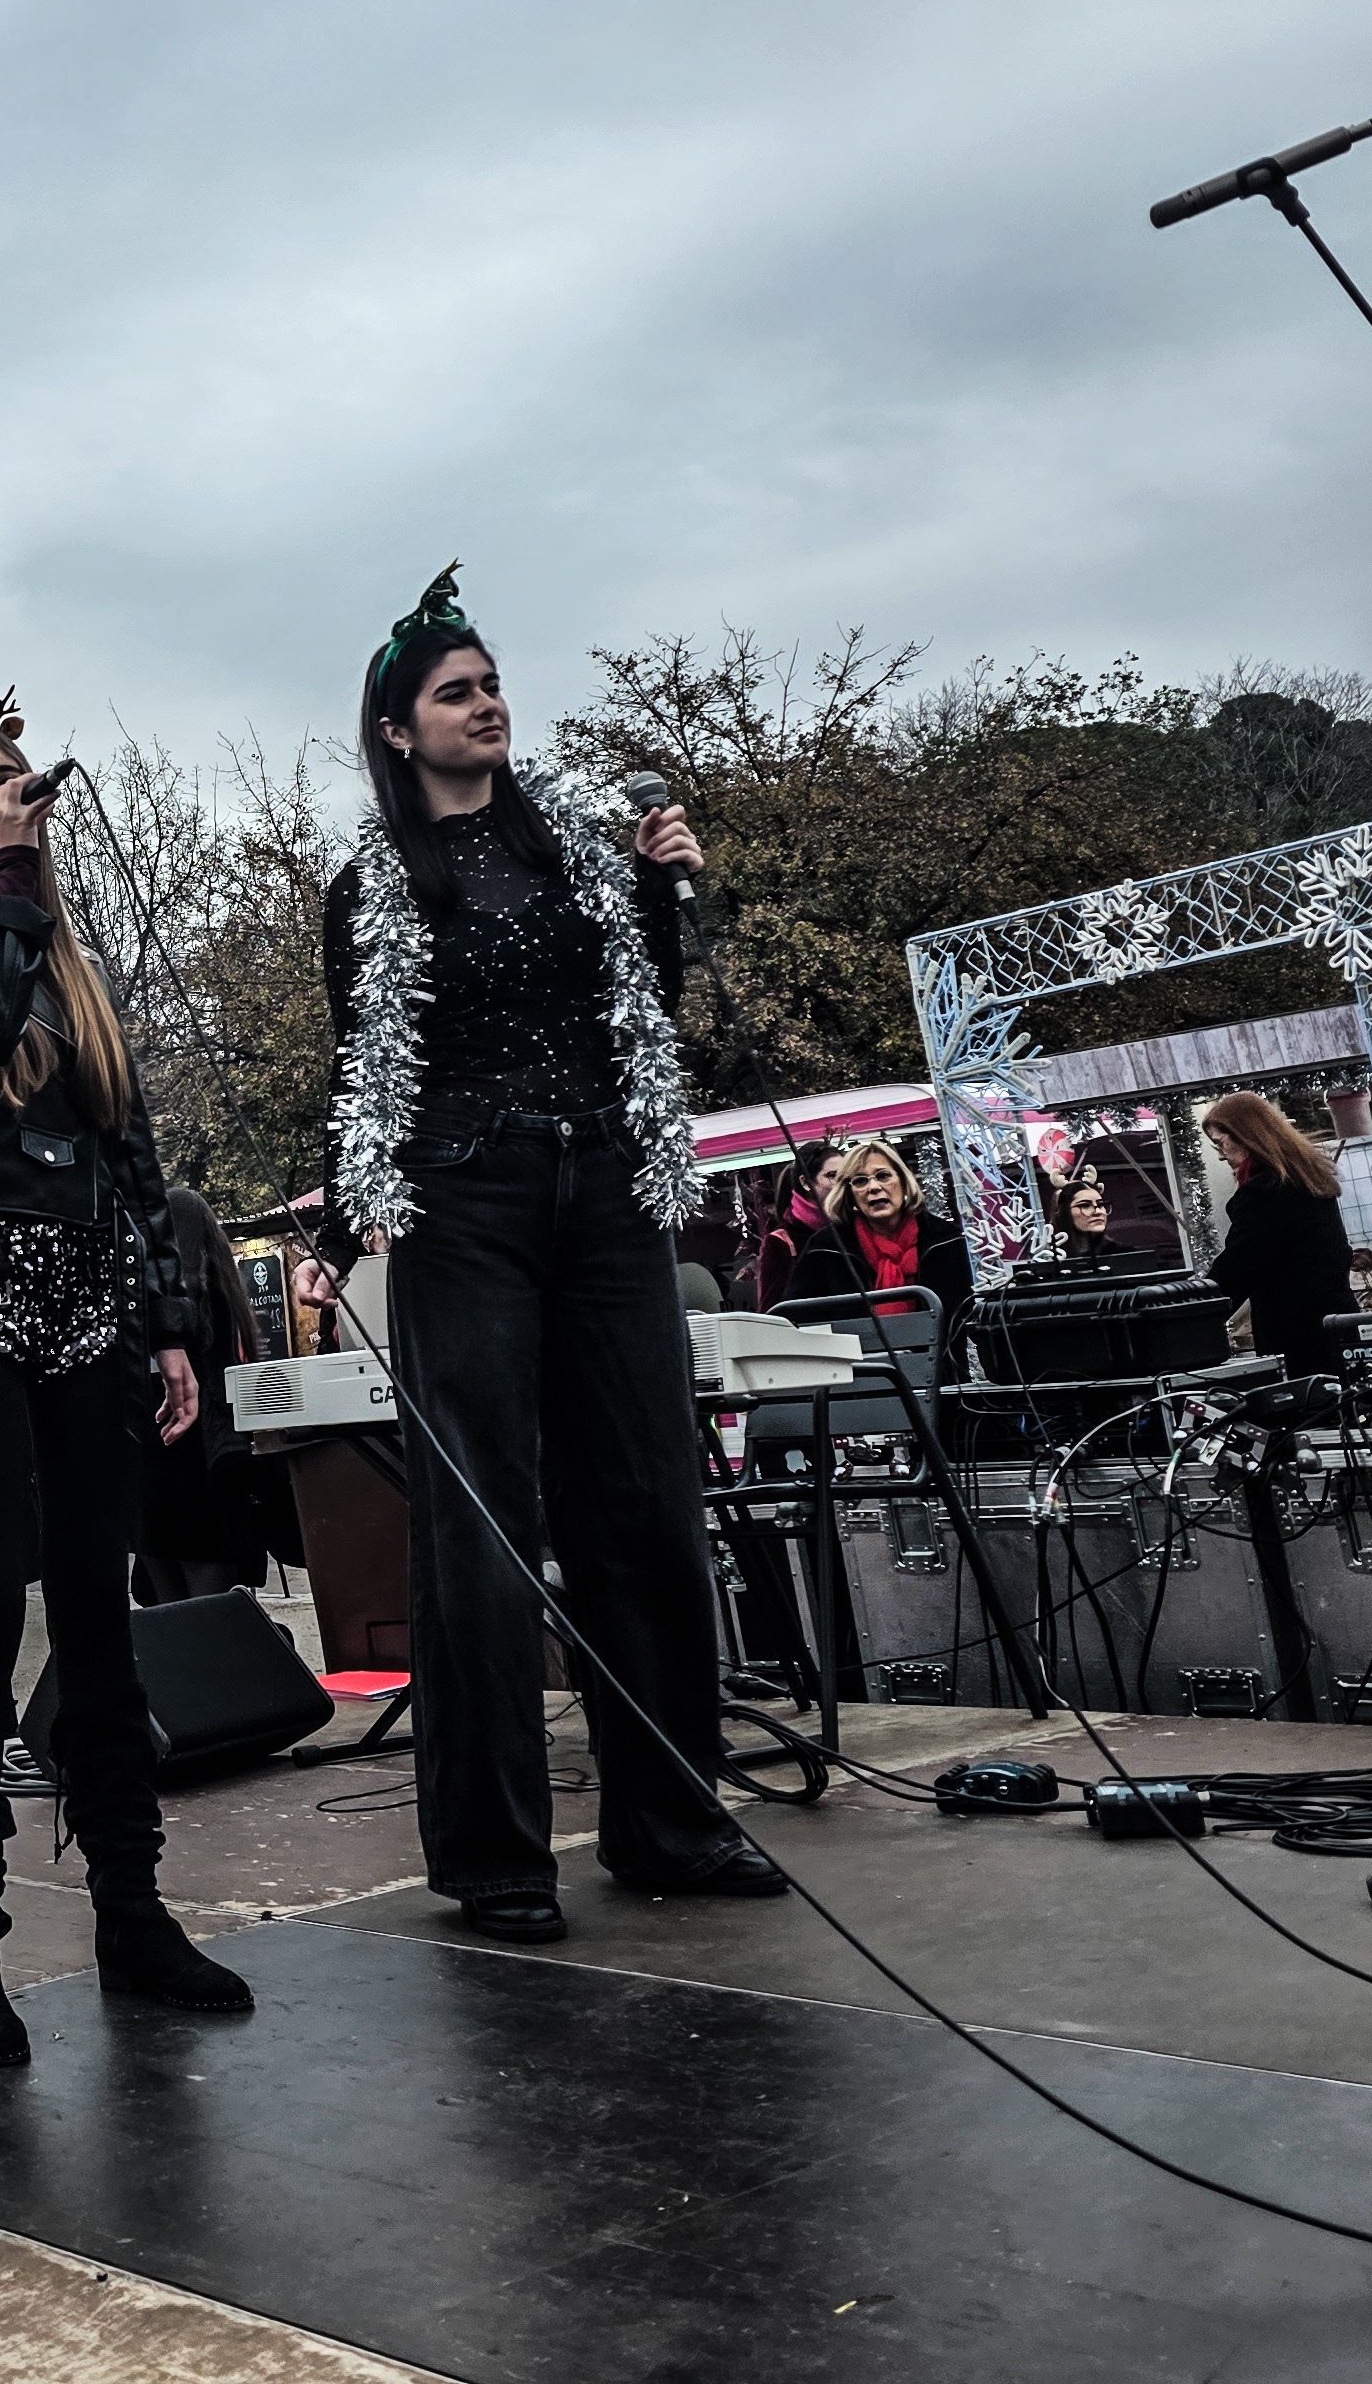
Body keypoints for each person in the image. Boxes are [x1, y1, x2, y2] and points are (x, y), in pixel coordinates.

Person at [318, 566, 778, 1939]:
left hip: (608, 1189)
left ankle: (673, 1821)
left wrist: (667, 894)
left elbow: (645, 1017)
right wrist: (366, 1204)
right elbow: (366, 1065)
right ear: (398, 730)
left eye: (491, 683)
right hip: (467, 1198)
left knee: (641, 1499)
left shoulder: (580, 851)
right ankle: (497, 1853)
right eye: (454, 692)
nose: (486, 704)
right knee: (479, 1520)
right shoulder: (375, 881)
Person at [0, 696, 254, 2063]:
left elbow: (132, 1161)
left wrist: (166, 1329)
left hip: (87, 1286)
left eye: (9, 780)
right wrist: (17, 893)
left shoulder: (81, 974)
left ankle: (132, 1912)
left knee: (100, 1603)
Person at [132, 1182, 285, 1604]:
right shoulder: (223, 1299)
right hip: (201, 1466)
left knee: (183, 1608)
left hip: (183, 1466)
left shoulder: (178, 1309)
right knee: (201, 1608)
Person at [1197, 1095, 1355, 1372]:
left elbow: (1238, 1266)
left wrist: (1194, 1313)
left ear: (1246, 1137)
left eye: (1221, 1143)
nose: (1222, 1154)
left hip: (1300, 1336)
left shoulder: (1262, 1192)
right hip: (1339, 1323)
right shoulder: (1307, 1179)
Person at [774, 1139, 974, 1333]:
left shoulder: (947, 1240)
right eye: (860, 1181)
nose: (874, 1187)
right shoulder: (826, 1248)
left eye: (883, 1176)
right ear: (849, 1193)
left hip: (942, 1364)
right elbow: (793, 1318)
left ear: (904, 1181)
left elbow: (975, 1315)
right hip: (857, 1365)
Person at [744, 1143, 846, 1310]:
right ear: (806, 1183)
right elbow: (773, 1311)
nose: (841, 1184)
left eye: (846, 1176)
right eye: (832, 1175)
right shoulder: (781, 1242)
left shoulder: (855, 1227)